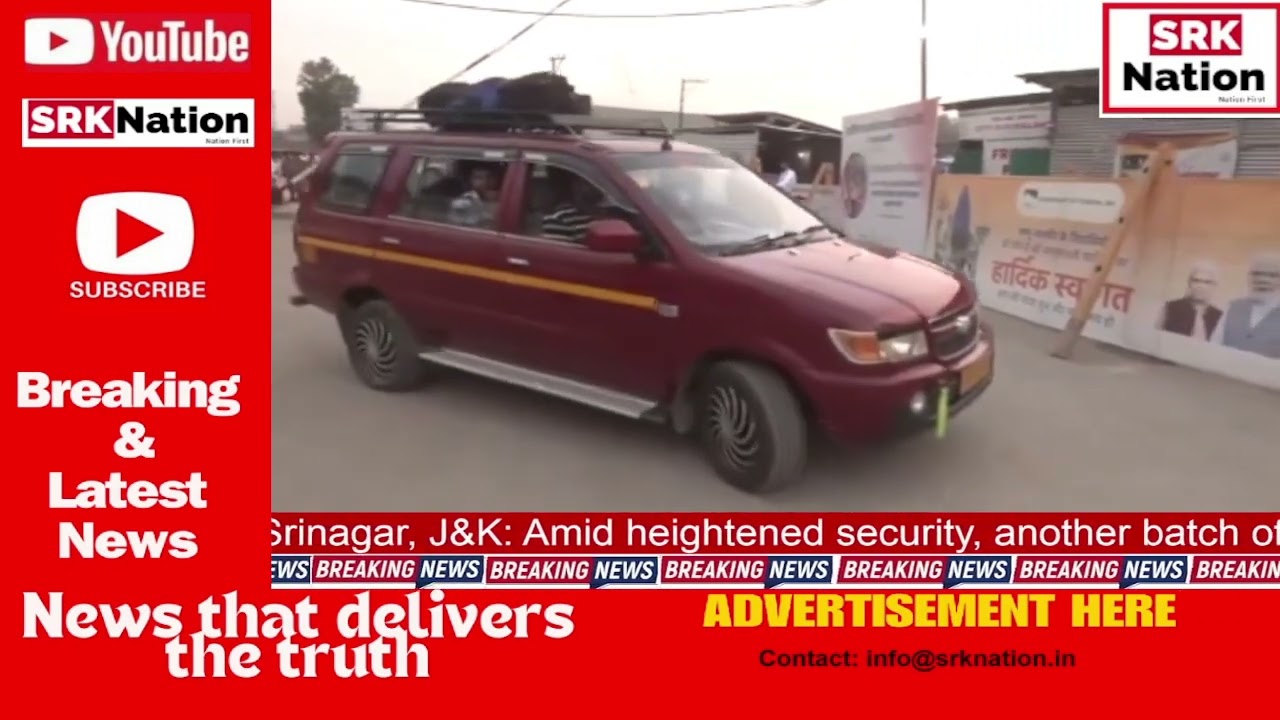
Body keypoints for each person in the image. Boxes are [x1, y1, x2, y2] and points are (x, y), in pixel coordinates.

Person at [1210, 252, 1280, 358]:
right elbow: (1213, 346)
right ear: (1249, 276)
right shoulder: (1233, 307)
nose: (1263, 279)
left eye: (1272, 275)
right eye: (1257, 274)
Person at [1157, 262, 1223, 340]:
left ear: (1214, 286)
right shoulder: (1170, 308)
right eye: (1196, 281)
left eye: (1207, 282)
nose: (1201, 286)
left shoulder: (1219, 317)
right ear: (1189, 283)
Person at [541, 174, 599, 243]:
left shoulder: (612, 212)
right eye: (588, 181)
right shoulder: (559, 220)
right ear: (576, 185)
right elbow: (557, 252)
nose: (597, 185)